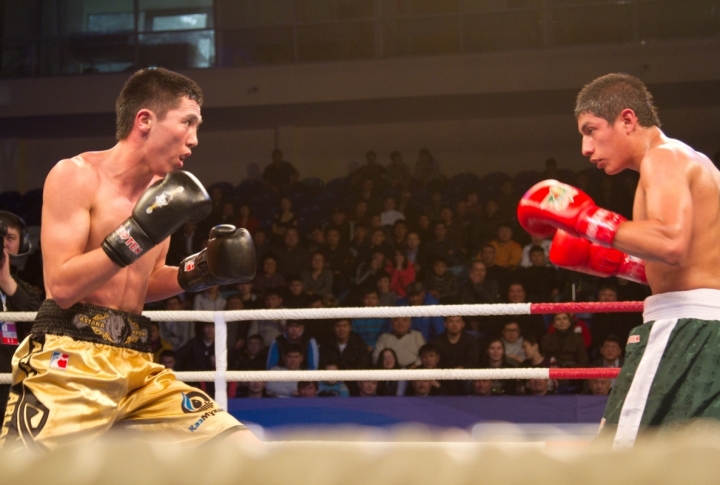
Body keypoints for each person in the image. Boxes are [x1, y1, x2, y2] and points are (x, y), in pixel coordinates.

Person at [0, 68, 260, 451]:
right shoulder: (76, 175)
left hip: (137, 364)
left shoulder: (162, 195)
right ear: (144, 120)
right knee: (26, 475)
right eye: (187, 123)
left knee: (240, 449)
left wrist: (202, 269)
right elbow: (62, 286)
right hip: (69, 357)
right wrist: (136, 232)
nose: (194, 139)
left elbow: (145, 281)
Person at [518, 73, 720, 445]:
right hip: (709, 327)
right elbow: (690, 262)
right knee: (690, 462)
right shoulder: (694, 163)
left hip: (684, 327)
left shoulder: (664, 158)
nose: (585, 147)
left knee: (619, 456)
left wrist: (587, 220)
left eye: (591, 129)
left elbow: (670, 242)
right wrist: (613, 261)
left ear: (627, 120)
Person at [0, 211, 42, 419]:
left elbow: (37, 316)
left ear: (21, 244)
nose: (4, 245)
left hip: (15, 385)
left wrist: (6, 281)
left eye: (10, 238)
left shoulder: (22, 287)